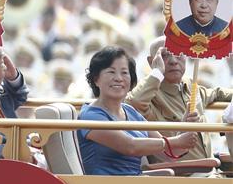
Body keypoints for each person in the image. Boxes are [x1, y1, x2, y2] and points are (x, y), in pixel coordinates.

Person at [77, 46, 198, 175]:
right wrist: (177, 141)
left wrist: (185, 127)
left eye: (124, 73)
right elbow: (130, 146)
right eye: (111, 72)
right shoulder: (90, 115)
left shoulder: (130, 111)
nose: (118, 78)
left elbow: (169, 153)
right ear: (96, 79)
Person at [127, 37, 232, 162]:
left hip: (209, 168)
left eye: (178, 53)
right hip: (179, 173)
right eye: (165, 55)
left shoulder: (190, 85)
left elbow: (217, 93)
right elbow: (132, 103)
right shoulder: (149, 94)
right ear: (152, 61)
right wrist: (157, 72)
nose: (173, 61)